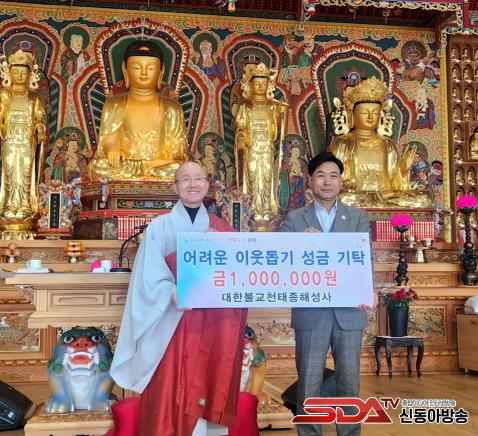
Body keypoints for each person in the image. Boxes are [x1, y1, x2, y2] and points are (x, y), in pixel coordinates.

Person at [110, 161, 247, 435]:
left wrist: (219, 248)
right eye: (185, 179)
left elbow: (238, 275)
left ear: (207, 185)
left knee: (209, 380)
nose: (193, 184)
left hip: (212, 321)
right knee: (171, 384)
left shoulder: (225, 230)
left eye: (198, 178)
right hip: (173, 320)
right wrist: (171, 293)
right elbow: (149, 276)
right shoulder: (160, 227)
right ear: (175, 187)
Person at [280, 151, 371, 436]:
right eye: (321, 176)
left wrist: (365, 291)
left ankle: (350, 433)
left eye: (333, 176)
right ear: (310, 181)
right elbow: (280, 257)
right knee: (309, 381)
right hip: (311, 311)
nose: (327, 182)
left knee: (349, 381)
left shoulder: (357, 217)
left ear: (341, 181)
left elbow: (363, 258)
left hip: (348, 310)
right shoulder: (295, 219)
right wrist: (299, 243)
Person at [88, 40, 188, 180]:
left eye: (151, 68)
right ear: (125, 70)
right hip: (126, 166)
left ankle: (146, 173)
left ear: (161, 71)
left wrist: (156, 162)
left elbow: (179, 147)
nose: (144, 73)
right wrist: (112, 150)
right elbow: (107, 140)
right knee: (98, 167)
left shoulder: (172, 106)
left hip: (159, 165)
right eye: (136, 67)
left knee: (181, 169)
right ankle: (147, 175)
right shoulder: (115, 103)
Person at [328, 76, 432, 207]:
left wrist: (403, 169)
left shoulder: (388, 145)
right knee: (343, 198)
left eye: (375, 113)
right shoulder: (343, 142)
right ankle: (374, 201)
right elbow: (337, 179)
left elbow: (396, 184)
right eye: (364, 113)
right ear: (351, 115)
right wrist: (345, 183)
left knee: (425, 198)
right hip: (357, 196)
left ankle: (376, 202)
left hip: (385, 196)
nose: (370, 117)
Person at [0, 41, 46, 239]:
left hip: (27, 140)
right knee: (10, 171)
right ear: (8, 73)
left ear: (30, 75)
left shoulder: (34, 97)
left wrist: (40, 127)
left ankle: (26, 205)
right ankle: (9, 205)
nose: (19, 76)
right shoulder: (4, 94)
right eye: (15, 72)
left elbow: (39, 117)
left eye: (23, 73)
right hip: (10, 138)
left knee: (26, 171)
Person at [234, 62, 287, 223]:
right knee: (251, 175)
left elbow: (276, 129)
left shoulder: (272, 105)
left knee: (267, 175)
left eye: (263, 84)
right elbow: (240, 125)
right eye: (256, 83)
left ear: (268, 86)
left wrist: (280, 114)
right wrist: (241, 137)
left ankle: (266, 209)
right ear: (250, 85)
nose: (260, 87)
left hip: (267, 147)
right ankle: (251, 209)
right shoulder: (245, 105)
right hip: (251, 147)